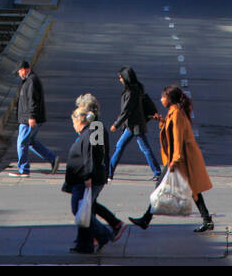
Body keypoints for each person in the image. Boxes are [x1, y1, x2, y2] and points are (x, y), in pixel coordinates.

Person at [129, 86, 214, 232]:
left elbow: (178, 139)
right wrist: (161, 121)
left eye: (163, 97)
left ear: (169, 99)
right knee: (191, 190)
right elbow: (170, 132)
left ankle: (146, 219)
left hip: (181, 158)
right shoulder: (173, 113)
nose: (161, 99)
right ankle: (207, 219)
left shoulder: (176, 114)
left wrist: (174, 161)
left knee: (162, 187)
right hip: (179, 157)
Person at [63, 105, 115, 253]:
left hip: (86, 179)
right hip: (82, 178)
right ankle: (84, 243)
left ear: (81, 121)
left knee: (80, 209)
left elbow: (92, 156)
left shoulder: (92, 131)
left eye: (74, 122)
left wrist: (88, 176)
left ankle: (103, 234)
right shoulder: (88, 131)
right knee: (84, 211)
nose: (73, 126)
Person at [75, 93, 126, 240]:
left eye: (80, 110)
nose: (77, 114)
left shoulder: (95, 128)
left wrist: (88, 175)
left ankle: (99, 235)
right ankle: (113, 225)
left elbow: (94, 155)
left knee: (86, 206)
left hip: (96, 174)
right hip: (96, 173)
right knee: (90, 204)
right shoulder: (91, 127)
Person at [108, 68, 162, 182]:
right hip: (133, 125)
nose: (120, 80)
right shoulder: (134, 89)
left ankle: (109, 173)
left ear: (126, 78)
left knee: (140, 148)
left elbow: (126, 111)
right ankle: (109, 172)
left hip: (135, 125)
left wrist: (116, 124)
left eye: (121, 77)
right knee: (122, 147)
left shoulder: (131, 92)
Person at [8, 61, 59, 176]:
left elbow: (33, 101)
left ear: (24, 69)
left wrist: (31, 116)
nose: (19, 75)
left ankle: (24, 169)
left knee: (21, 143)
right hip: (28, 117)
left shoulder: (31, 81)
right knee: (30, 142)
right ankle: (52, 159)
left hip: (28, 119)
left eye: (19, 72)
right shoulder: (28, 80)